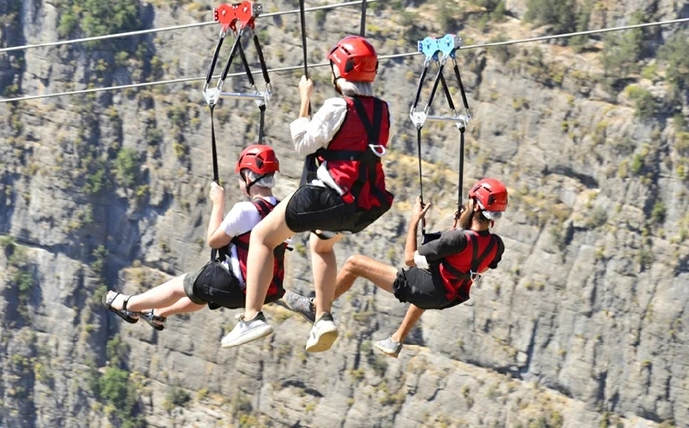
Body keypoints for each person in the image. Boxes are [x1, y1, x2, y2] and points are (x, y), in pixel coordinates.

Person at [221, 35, 393, 352]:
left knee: (261, 236)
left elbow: (303, 145)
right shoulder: (383, 111)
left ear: (338, 69)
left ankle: (251, 317)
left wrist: (304, 100)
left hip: (326, 196)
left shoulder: (337, 106)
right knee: (321, 245)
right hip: (363, 204)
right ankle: (323, 318)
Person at [285, 178, 508, 357]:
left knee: (354, 263)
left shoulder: (457, 240)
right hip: (448, 296)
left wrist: (414, 220)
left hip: (432, 289)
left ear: (477, 205)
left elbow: (410, 258)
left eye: (470, 201)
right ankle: (396, 340)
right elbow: (473, 262)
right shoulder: (497, 245)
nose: (467, 204)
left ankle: (317, 307)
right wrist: (458, 229)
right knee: (425, 282)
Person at [103, 145, 287, 327]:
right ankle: (158, 313)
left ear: (247, 177)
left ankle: (128, 305)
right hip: (265, 292)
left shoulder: (244, 210)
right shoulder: (282, 212)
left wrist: (218, 203)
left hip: (234, 287)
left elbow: (214, 241)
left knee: (180, 285)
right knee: (200, 290)